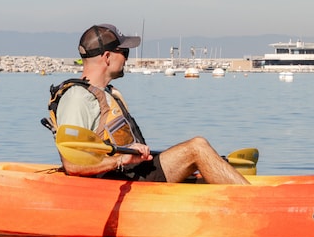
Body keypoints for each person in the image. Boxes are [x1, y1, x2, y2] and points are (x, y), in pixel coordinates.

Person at [48, 24, 248, 184]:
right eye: (124, 51)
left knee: (206, 164)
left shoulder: (109, 93)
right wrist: (119, 160)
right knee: (197, 147)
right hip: (117, 180)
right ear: (107, 57)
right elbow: (72, 165)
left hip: (135, 173)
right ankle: (252, 203)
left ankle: (236, 187)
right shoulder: (77, 98)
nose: (127, 58)